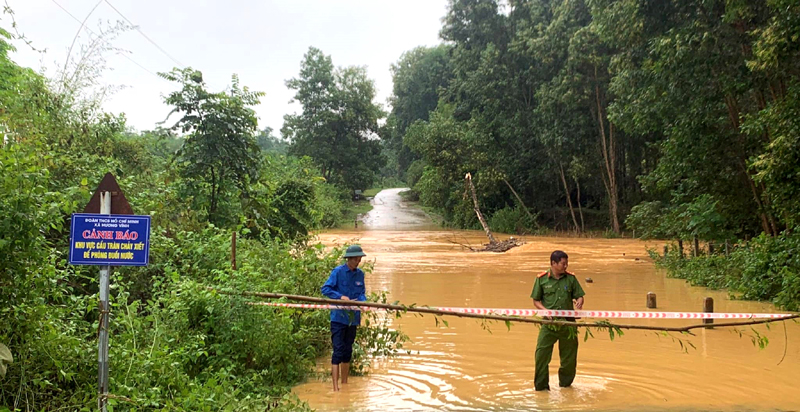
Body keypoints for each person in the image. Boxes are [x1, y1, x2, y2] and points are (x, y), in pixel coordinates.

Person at [530, 250, 585, 391]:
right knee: (541, 356)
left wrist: (579, 302)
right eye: (563, 263)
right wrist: (545, 310)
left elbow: (579, 295)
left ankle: (566, 388)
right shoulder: (541, 279)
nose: (566, 266)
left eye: (567, 263)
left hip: (568, 324)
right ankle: (541, 389)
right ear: (553, 263)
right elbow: (536, 301)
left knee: (569, 359)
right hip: (549, 324)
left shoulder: (571, 278)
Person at [321, 244, 368, 391]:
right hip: (338, 317)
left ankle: (345, 384)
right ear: (349, 259)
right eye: (356, 259)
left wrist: (363, 302)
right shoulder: (338, 272)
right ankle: (335, 388)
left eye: (359, 259)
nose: (358, 262)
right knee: (338, 350)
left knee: (348, 350)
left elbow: (362, 293)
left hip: (353, 318)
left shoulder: (360, 274)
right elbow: (326, 289)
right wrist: (340, 297)